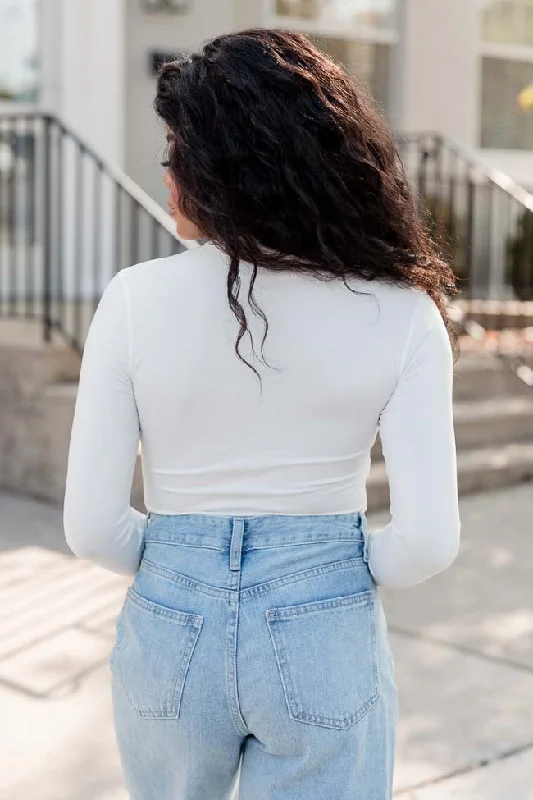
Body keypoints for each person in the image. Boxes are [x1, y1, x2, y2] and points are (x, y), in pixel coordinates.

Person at [63, 28, 460, 800]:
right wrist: (324, 571)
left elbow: (91, 527)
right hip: (324, 623)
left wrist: (186, 560)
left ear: (218, 170)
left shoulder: (133, 300)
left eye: (177, 151)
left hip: (169, 625)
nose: (167, 171)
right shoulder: (402, 313)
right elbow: (426, 543)